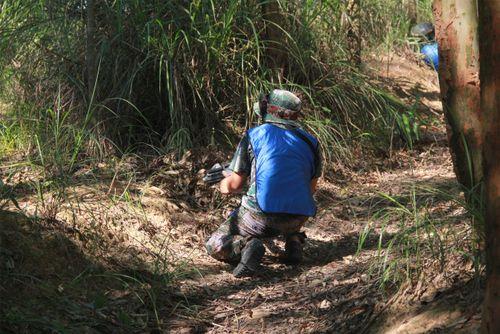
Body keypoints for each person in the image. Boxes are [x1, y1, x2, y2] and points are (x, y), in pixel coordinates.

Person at [205, 89, 322, 278]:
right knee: (284, 206)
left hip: (260, 218)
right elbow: (311, 188)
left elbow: (233, 186)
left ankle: (246, 246)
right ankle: (294, 242)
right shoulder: (311, 142)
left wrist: (222, 183)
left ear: (270, 111)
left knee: (214, 243)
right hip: (298, 217)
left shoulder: (253, 135)